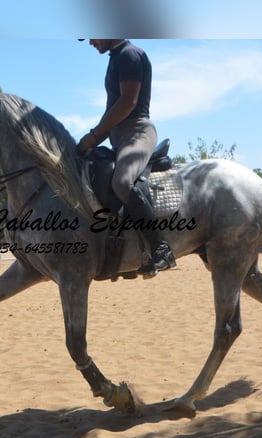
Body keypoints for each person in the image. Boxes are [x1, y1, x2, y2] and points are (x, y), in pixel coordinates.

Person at [77, 39, 176, 276]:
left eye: (92, 35)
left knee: (122, 182)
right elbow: (112, 110)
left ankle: (161, 248)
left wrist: (93, 136)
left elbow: (127, 103)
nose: (90, 41)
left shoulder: (130, 55)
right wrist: (91, 141)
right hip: (119, 137)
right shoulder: (115, 58)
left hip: (138, 133)